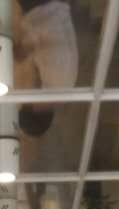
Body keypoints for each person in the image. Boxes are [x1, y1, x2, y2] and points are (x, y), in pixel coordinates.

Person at [15, 0, 79, 138]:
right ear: (34, 108)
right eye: (25, 103)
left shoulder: (62, 91)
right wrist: (20, 50)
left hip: (52, 8)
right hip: (45, 6)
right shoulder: (57, 81)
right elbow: (46, 29)